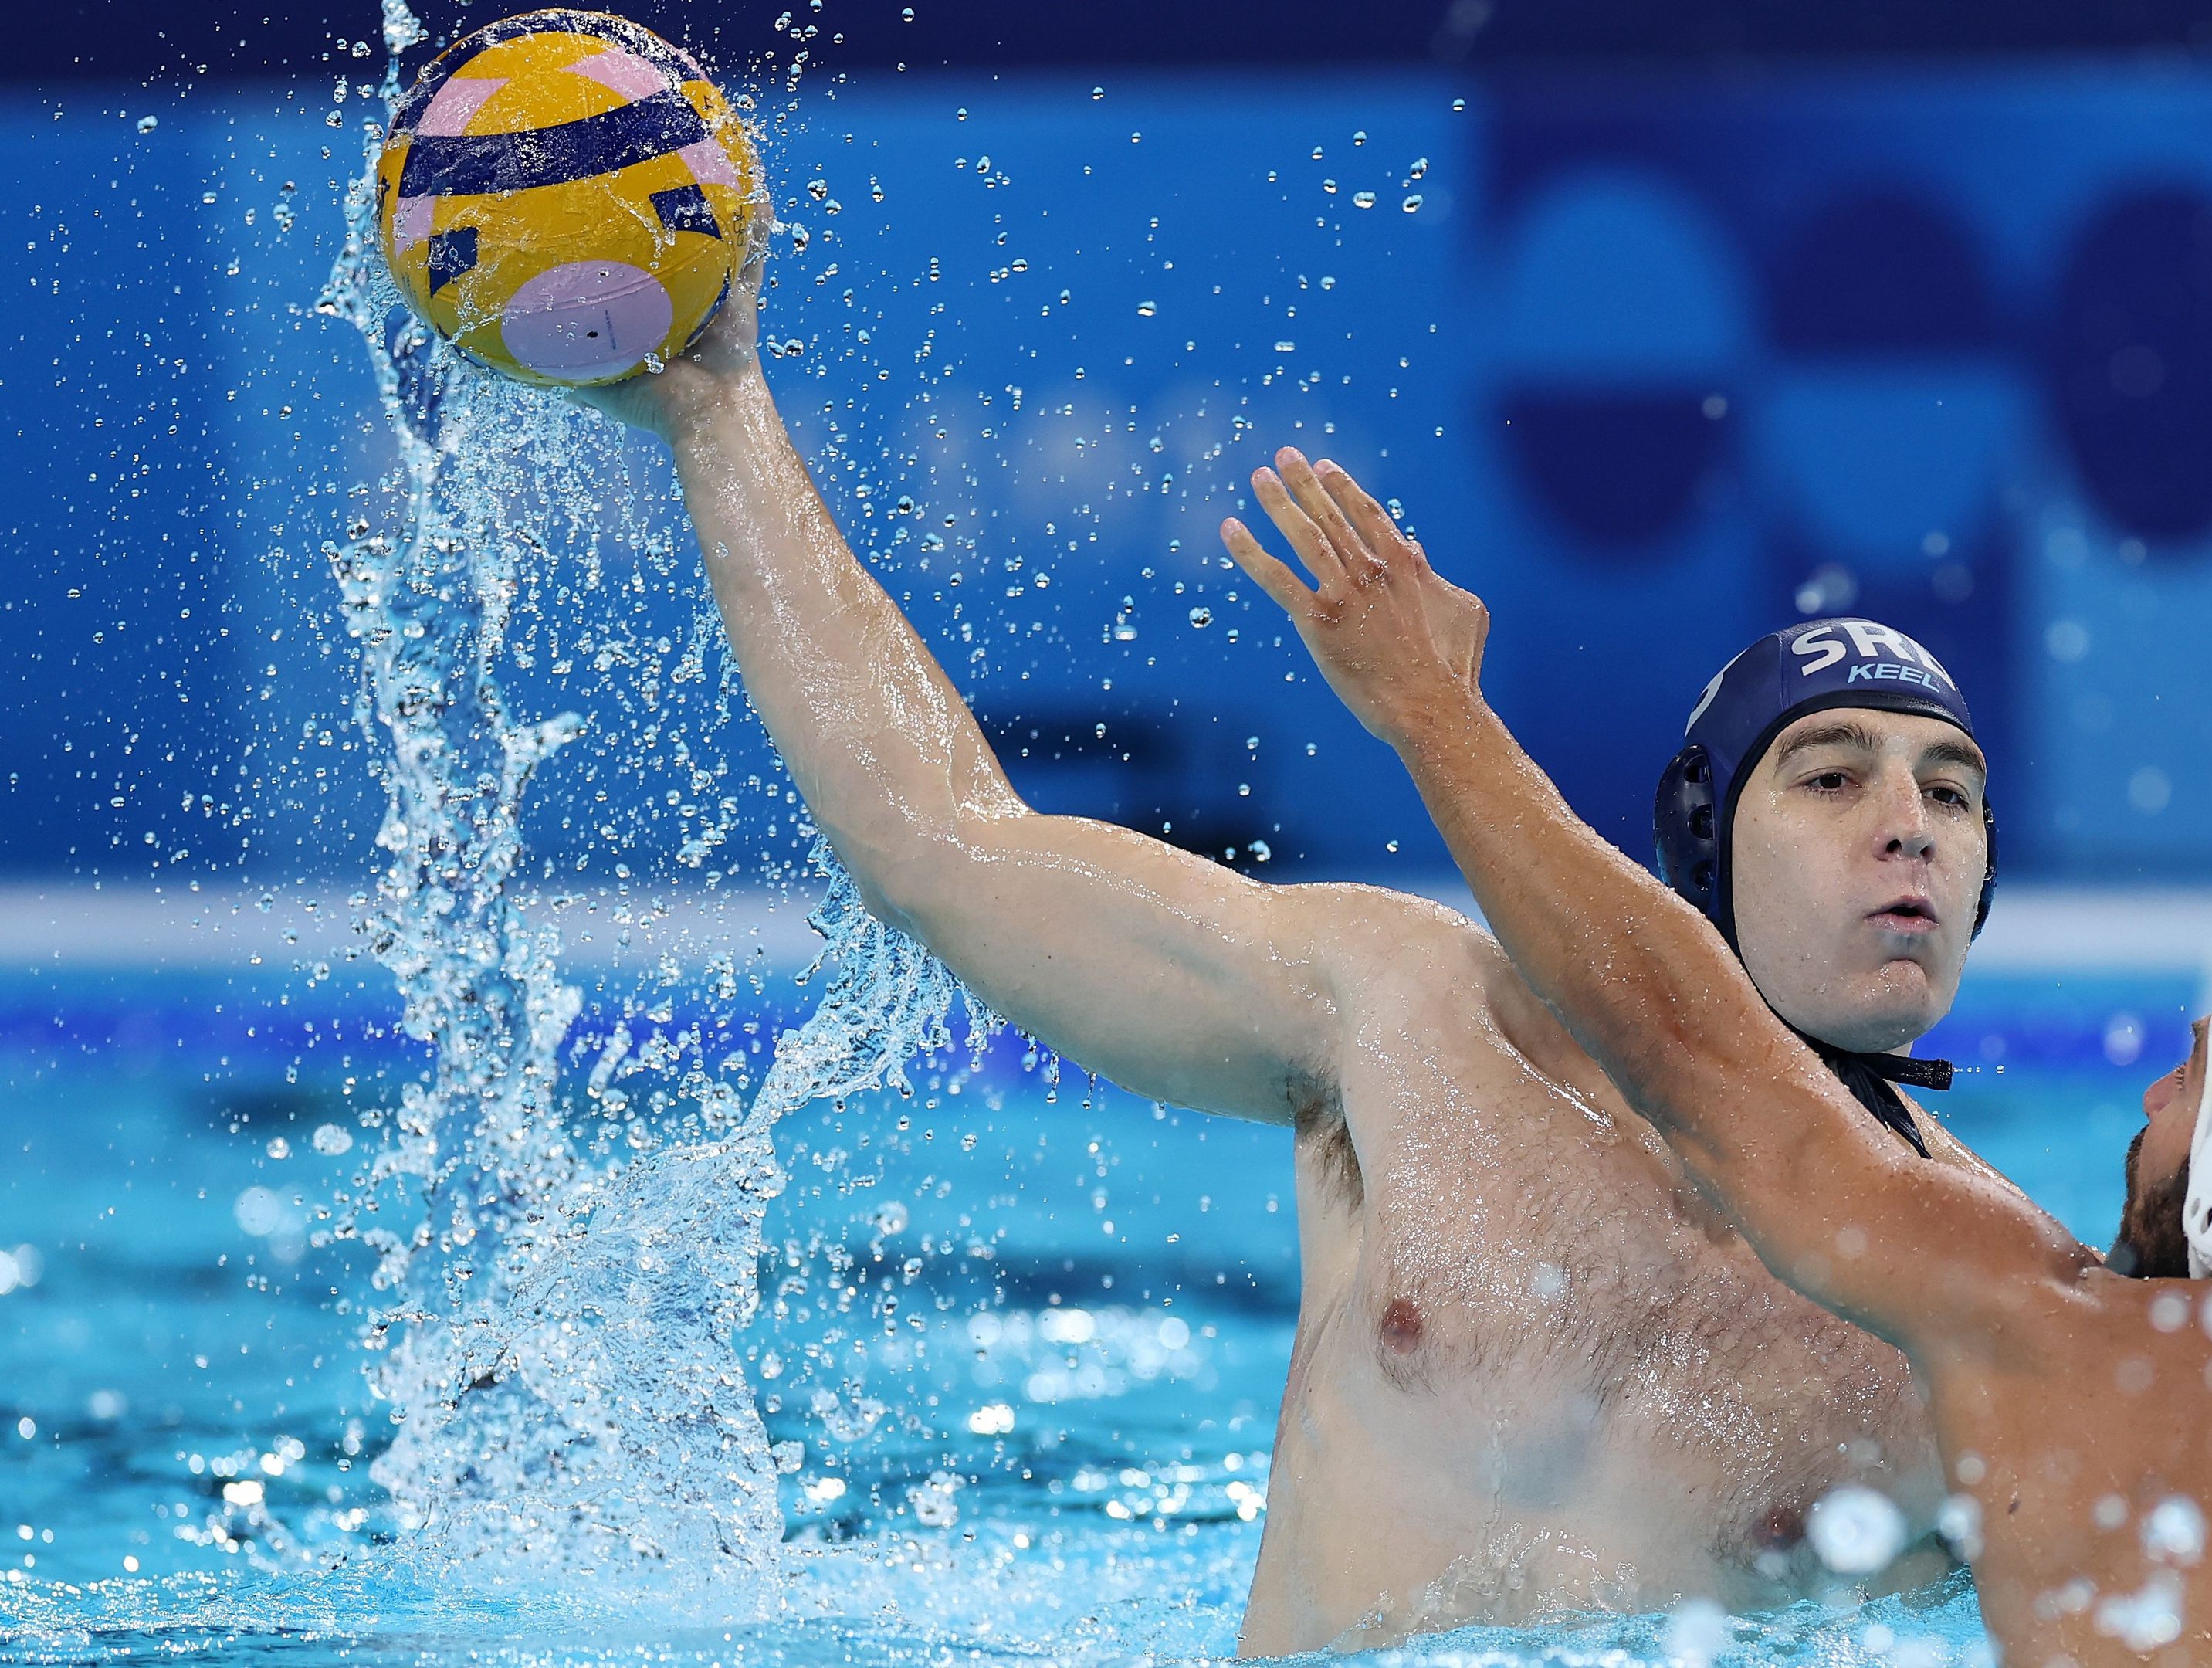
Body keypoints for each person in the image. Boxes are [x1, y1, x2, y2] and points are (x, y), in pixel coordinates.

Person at [576, 242, 2002, 1649]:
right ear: (1702, 849)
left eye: (1951, 792)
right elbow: (936, 844)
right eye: (1831, 777)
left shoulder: (2006, 1311)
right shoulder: (1407, 1017)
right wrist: (719, 410)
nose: (1909, 826)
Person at [1218, 455, 2212, 1667]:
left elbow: (1694, 1055)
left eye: (2195, 1088)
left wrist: (1431, 715)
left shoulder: (2060, 1345)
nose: (2156, 1100)